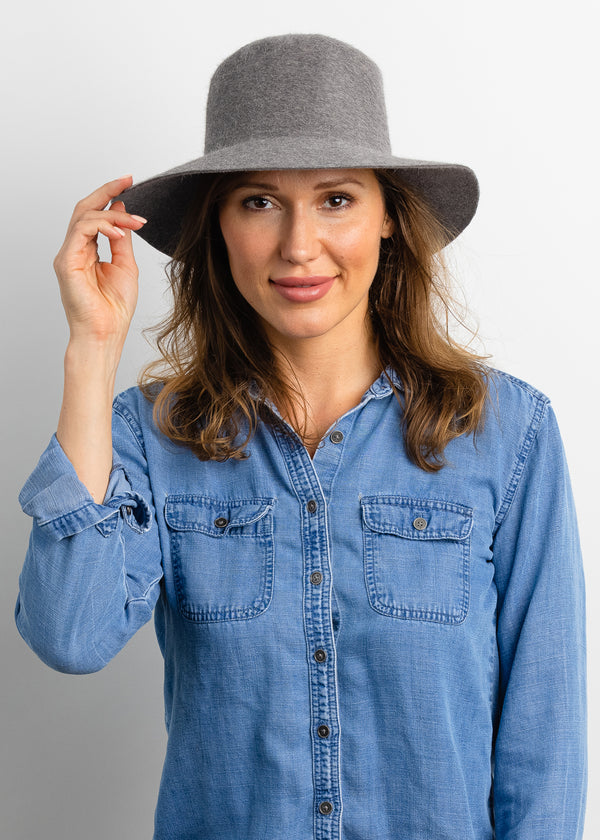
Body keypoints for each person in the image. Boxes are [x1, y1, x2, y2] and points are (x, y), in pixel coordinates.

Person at [15, 33, 586, 840]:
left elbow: (544, 737)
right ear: (218, 226)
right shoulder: (149, 437)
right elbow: (69, 634)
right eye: (258, 201)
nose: (297, 245)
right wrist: (92, 350)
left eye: (336, 199)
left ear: (389, 217)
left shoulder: (507, 433)